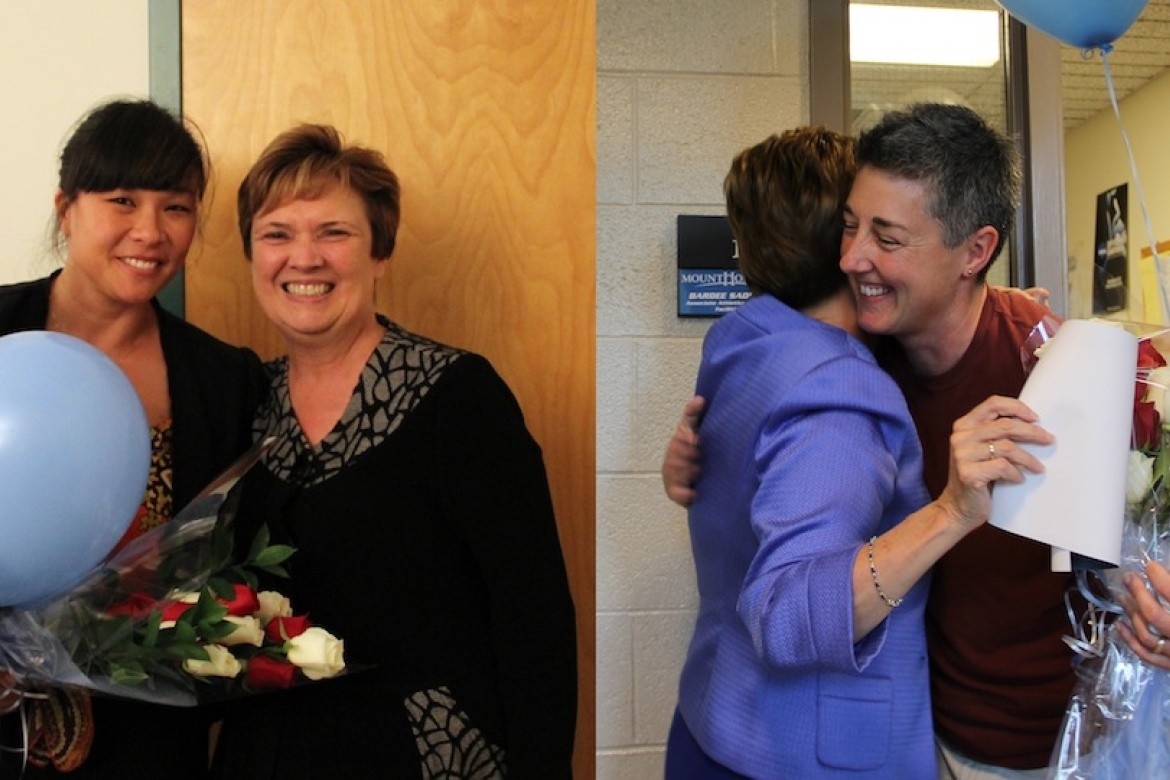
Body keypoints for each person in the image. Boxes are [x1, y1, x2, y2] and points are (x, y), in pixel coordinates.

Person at [664, 103, 1073, 778]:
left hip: (1029, 742)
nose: (850, 258)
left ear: (975, 252)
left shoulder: (1049, 362)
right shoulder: (851, 358)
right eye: (850, 226)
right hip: (904, 728)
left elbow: (1128, 540)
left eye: (887, 237)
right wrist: (697, 468)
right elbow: (788, 597)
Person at [210, 124, 577, 779]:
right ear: (252, 256)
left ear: (380, 250)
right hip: (269, 753)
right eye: (277, 234)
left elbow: (534, 619)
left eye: (333, 232)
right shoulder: (244, 402)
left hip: (426, 754)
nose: (304, 257)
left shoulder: (457, 397)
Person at [0, 99, 268, 777]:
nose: (149, 231)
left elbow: (228, 560)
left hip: (146, 733)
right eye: (122, 200)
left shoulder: (223, 378)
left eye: (175, 207)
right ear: (66, 208)